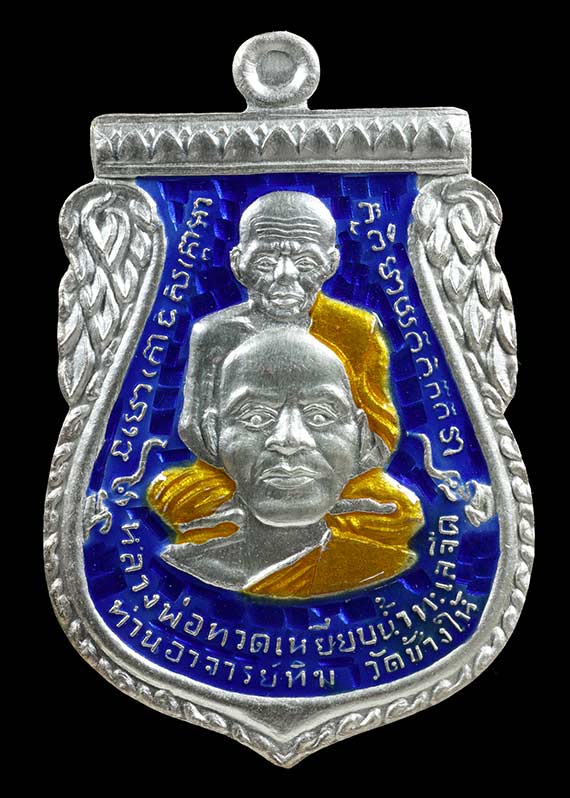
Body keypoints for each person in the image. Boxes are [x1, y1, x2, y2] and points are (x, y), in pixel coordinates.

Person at [148, 190, 413, 571]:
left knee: (401, 510)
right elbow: (195, 427)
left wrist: (323, 477)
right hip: (237, 472)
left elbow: (379, 431)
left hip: (334, 472)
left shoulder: (356, 329)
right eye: (266, 260)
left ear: (330, 264)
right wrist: (246, 473)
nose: (284, 275)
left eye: (305, 262)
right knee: (173, 499)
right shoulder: (215, 332)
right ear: (239, 263)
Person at [160, 329, 423, 597]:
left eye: (320, 416)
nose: (289, 439)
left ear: (362, 437)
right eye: (255, 417)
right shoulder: (184, 565)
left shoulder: (383, 566)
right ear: (214, 434)